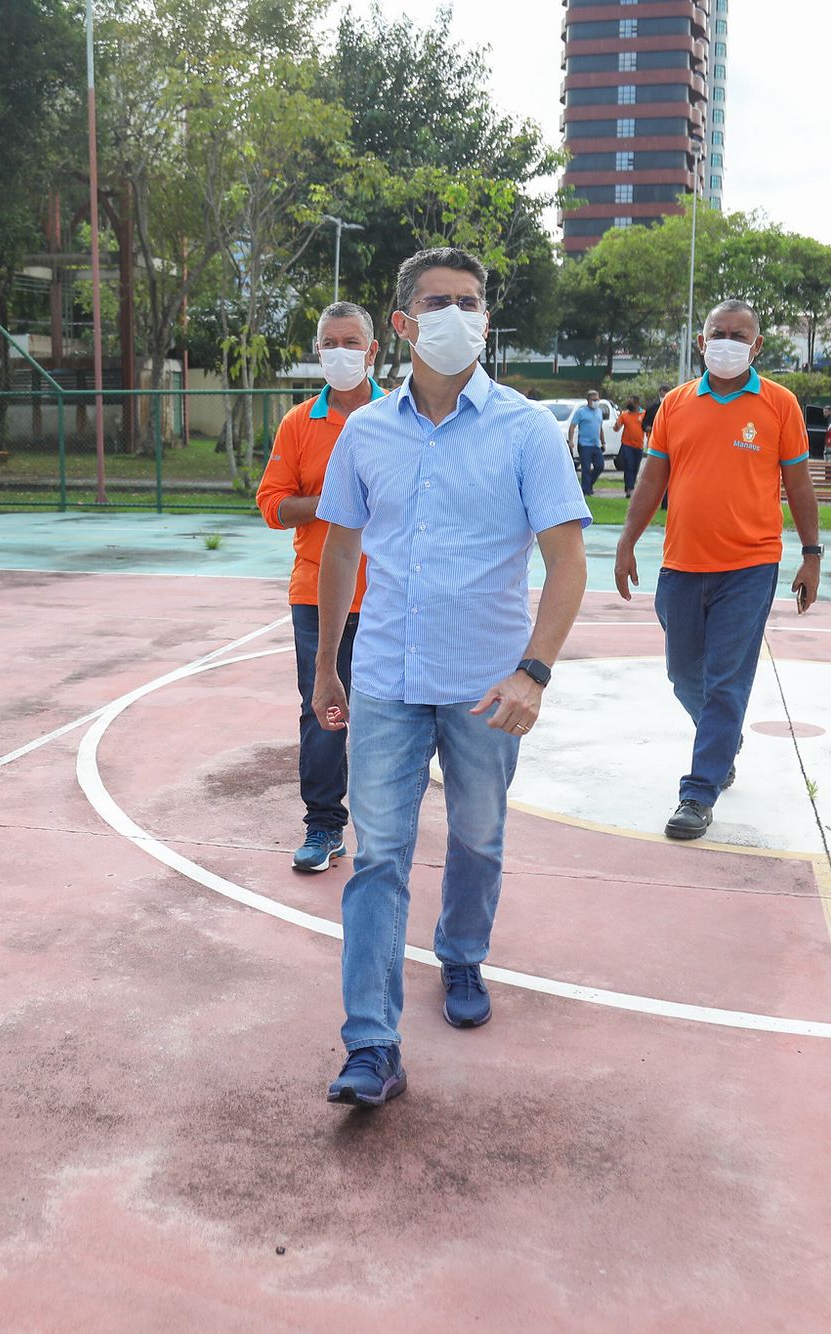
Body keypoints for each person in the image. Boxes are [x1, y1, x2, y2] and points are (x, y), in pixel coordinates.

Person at [311, 247, 591, 1108]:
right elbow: (341, 549)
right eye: (439, 301)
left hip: (485, 685)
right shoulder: (366, 432)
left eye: (471, 302)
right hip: (390, 677)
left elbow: (568, 560)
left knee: (477, 837)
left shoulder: (527, 430)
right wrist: (327, 664)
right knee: (378, 856)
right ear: (403, 323)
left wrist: (533, 672)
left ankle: (462, 953)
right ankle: (372, 1044)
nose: (457, 315)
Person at [613, 298, 823, 842]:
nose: (727, 341)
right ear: (702, 342)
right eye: (717, 332)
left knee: (728, 680)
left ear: (757, 346)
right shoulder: (676, 405)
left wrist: (811, 554)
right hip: (681, 564)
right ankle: (722, 738)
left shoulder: (780, 404)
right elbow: (652, 481)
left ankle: (698, 793)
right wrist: (627, 542)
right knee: (684, 673)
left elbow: (798, 485)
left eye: (740, 334)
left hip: (751, 566)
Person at [255, 302, 382, 873]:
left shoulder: (400, 415)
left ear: (373, 351)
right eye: (330, 343)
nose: (340, 352)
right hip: (315, 593)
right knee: (323, 710)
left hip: (390, 592)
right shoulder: (298, 423)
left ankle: (386, 823)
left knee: (393, 712)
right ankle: (324, 824)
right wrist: (335, 502)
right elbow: (273, 503)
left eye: (351, 342)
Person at [566, 389, 606, 495]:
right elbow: (572, 426)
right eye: (594, 399)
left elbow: (600, 428)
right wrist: (571, 440)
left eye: (598, 399)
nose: (596, 401)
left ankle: (588, 484)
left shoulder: (599, 412)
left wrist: (603, 442)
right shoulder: (581, 412)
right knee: (586, 468)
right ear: (588, 400)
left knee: (600, 465)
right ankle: (585, 489)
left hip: (596, 444)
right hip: (584, 444)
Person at [616, 396, 645, 497]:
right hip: (627, 445)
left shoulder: (643, 414)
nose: (628, 405)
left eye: (631, 403)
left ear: (637, 404)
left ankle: (631, 486)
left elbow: (648, 427)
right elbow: (617, 428)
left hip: (639, 446)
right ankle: (629, 488)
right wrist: (617, 423)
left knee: (635, 467)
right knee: (629, 466)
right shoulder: (624, 415)